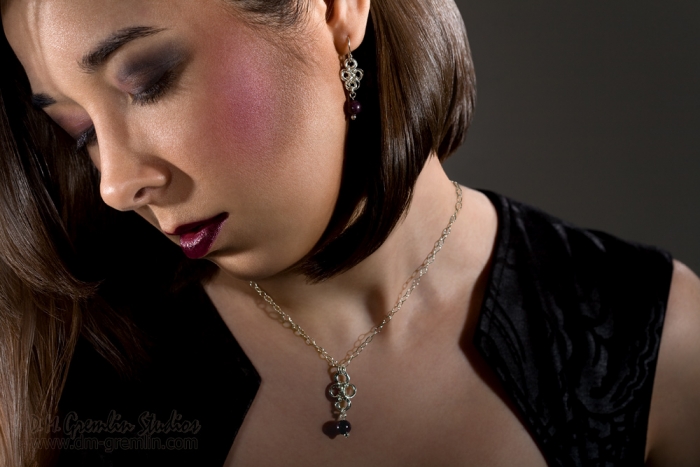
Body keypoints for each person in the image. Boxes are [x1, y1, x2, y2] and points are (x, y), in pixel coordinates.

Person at [1, 0, 699, 466]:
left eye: (149, 81)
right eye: (79, 132)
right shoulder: (65, 381)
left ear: (336, 9)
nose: (116, 184)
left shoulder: (660, 341)